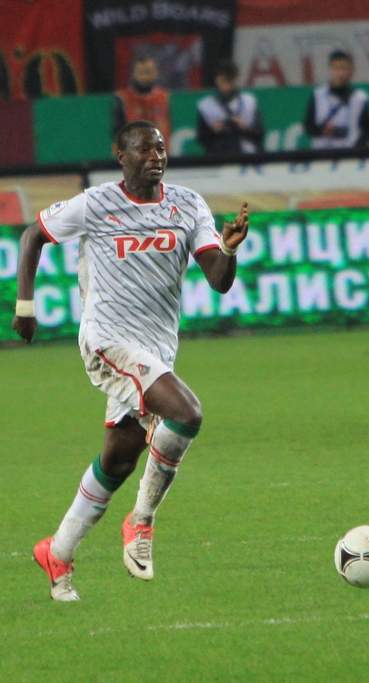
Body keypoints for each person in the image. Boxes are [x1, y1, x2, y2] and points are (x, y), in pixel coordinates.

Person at [12, 120, 249, 601]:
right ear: (121, 155)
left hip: (157, 350)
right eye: (143, 149)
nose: (155, 155)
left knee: (118, 460)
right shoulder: (96, 204)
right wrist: (25, 307)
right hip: (107, 341)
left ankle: (57, 551)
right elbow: (32, 236)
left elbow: (219, 280)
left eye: (160, 147)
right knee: (187, 413)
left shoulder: (188, 205)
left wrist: (227, 247)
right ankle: (141, 521)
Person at [303, 50, 369, 150]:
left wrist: (358, 145)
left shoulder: (360, 99)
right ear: (330, 69)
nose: (340, 73)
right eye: (336, 68)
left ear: (351, 70)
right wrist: (323, 131)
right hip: (322, 153)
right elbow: (308, 127)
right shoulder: (318, 95)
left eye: (344, 68)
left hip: (349, 154)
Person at [196, 59, 264, 155]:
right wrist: (214, 131)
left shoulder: (248, 102)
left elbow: (260, 134)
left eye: (228, 81)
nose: (225, 86)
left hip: (246, 156)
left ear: (234, 80)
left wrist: (243, 129)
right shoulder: (207, 106)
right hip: (217, 156)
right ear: (217, 80)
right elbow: (201, 137)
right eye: (222, 81)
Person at [111, 57, 171, 149]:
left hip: (159, 153)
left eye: (148, 72)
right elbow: (116, 132)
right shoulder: (122, 99)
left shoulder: (165, 98)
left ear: (156, 73)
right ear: (134, 74)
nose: (145, 77)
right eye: (141, 73)